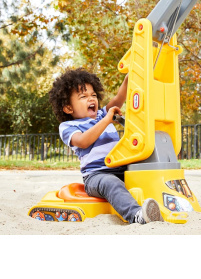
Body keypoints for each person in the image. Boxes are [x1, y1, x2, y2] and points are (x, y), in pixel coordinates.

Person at [49, 67, 163, 224]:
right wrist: (106, 120)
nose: (91, 99)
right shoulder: (68, 126)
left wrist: (128, 80)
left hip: (121, 168)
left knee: (145, 169)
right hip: (97, 176)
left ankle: (160, 206)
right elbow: (83, 141)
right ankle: (137, 216)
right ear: (68, 108)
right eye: (83, 97)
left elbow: (119, 98)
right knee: (111, 183)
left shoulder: (102, 115)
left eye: (94, 95)